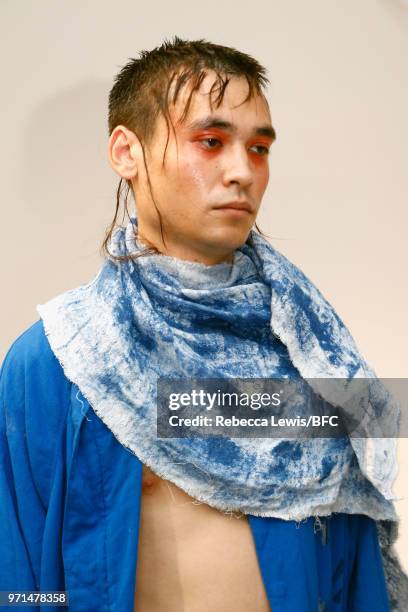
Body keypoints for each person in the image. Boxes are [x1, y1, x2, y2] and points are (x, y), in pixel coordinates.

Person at [1, 36, 407, 612]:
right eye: (210, 142)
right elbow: (18, 583)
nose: (242, 171)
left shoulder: (315, 358)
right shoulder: (59, 361)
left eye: (260, 149)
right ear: (126, 151)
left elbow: (357, 573)